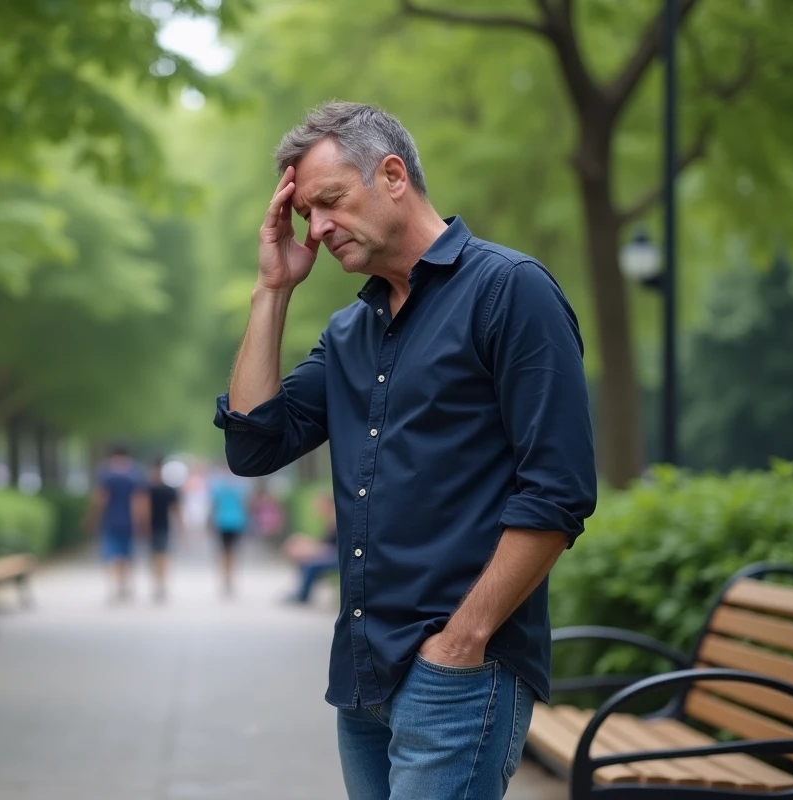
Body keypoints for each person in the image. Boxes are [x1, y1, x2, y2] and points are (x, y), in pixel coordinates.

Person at [214, 102, 597, 799]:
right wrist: (271, 290)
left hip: (458, 672)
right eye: (306, 213)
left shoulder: (511, 292)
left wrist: (460, 643)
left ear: (392, 175)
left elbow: (558, 490)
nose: (318, 227)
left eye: (329, 201)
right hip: (363, 675)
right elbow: (254, 443)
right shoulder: (350, 330)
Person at [84, 445, 148, 603]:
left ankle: (112, 587)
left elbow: (100, 498)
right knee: (126, 555)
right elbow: (138, 500)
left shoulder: (105, 473)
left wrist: (92, 517)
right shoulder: (134, 473)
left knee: (110, 554)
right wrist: (140, 520)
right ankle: (123, 585)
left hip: (110, 520)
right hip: (128, 522)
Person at [282, 492, 338, 605]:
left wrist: (310, 548)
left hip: (339, 556)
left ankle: (303, 595)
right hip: (333, 554)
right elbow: (326, 543)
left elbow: (334, 548)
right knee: (305, 558)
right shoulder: (329, 520)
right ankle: (301, 593)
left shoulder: (336, 520)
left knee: (312, 564)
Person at [206, 468, 251, 597]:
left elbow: (213, 504)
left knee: (224, 552)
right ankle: (229, 579)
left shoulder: (218, 485)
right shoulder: (240, 485)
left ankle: (226, 579)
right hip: (236, 521)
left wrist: (209, 521)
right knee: (232, 552)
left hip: (222, 521)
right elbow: (245, 504)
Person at [146, 457, 182, 603]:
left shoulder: (168, 490)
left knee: (161, 556)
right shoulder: (147, 488)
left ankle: (160, 584)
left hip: (162, 526)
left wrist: (181, 526)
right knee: (154, 557)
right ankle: (157, 582)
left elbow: (175, 509)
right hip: (150, 527)